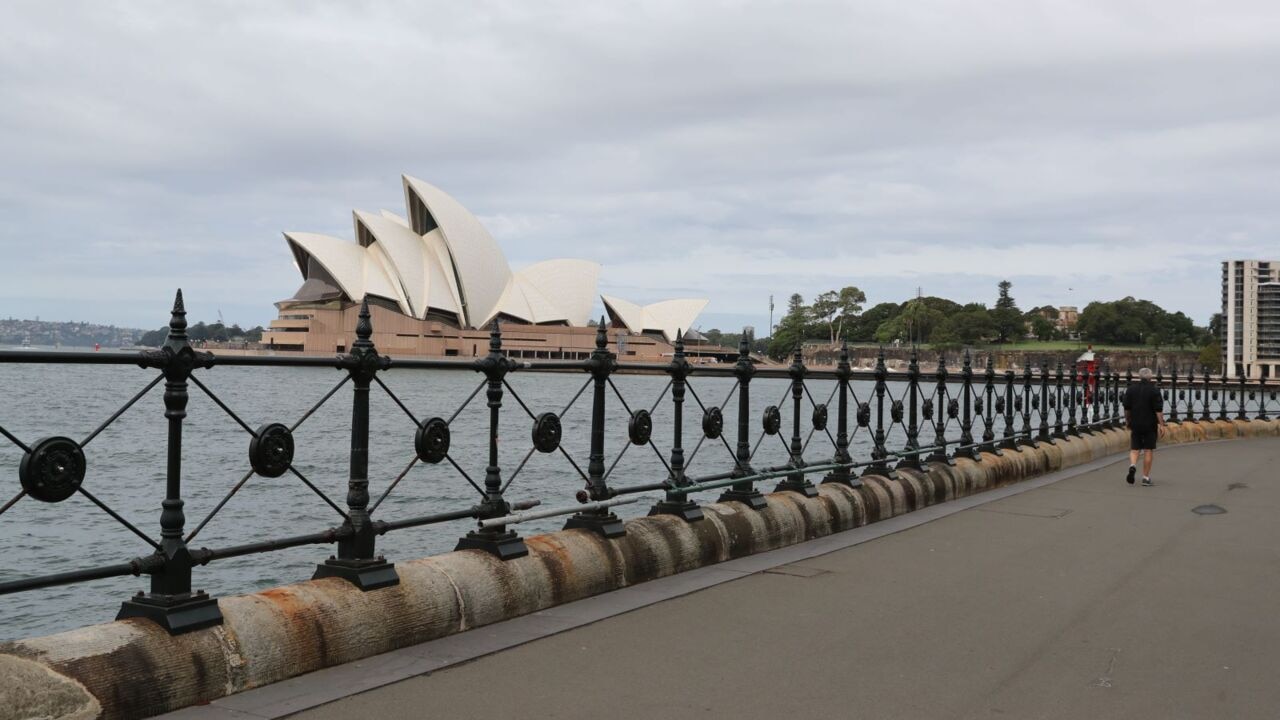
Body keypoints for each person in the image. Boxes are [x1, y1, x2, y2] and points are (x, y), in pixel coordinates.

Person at [1122, 367, 1166, 486]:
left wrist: (1127, 420)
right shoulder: (1154, 390)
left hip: (1135, 423)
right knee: (1148, 450)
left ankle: (1132, 465)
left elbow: (1127, 408)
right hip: (1150, 424)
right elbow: (1158, 410)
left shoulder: (1131, 390)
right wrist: (1161, 425)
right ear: (1151, 377)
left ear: (1139, 377)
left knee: (1134, 448)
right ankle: (1145, 478)